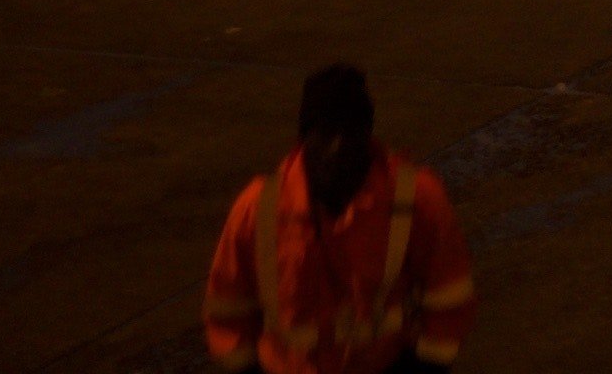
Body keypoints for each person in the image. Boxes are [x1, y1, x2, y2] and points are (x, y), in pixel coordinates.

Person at [202, 64, 474, 373]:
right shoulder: (257, 209)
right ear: (304, 137)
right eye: (327, 133)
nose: (337, 147)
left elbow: (449, 298)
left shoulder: (416, 199)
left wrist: (424, 368)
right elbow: (228, 311)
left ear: (367, 135)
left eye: (350, 133)